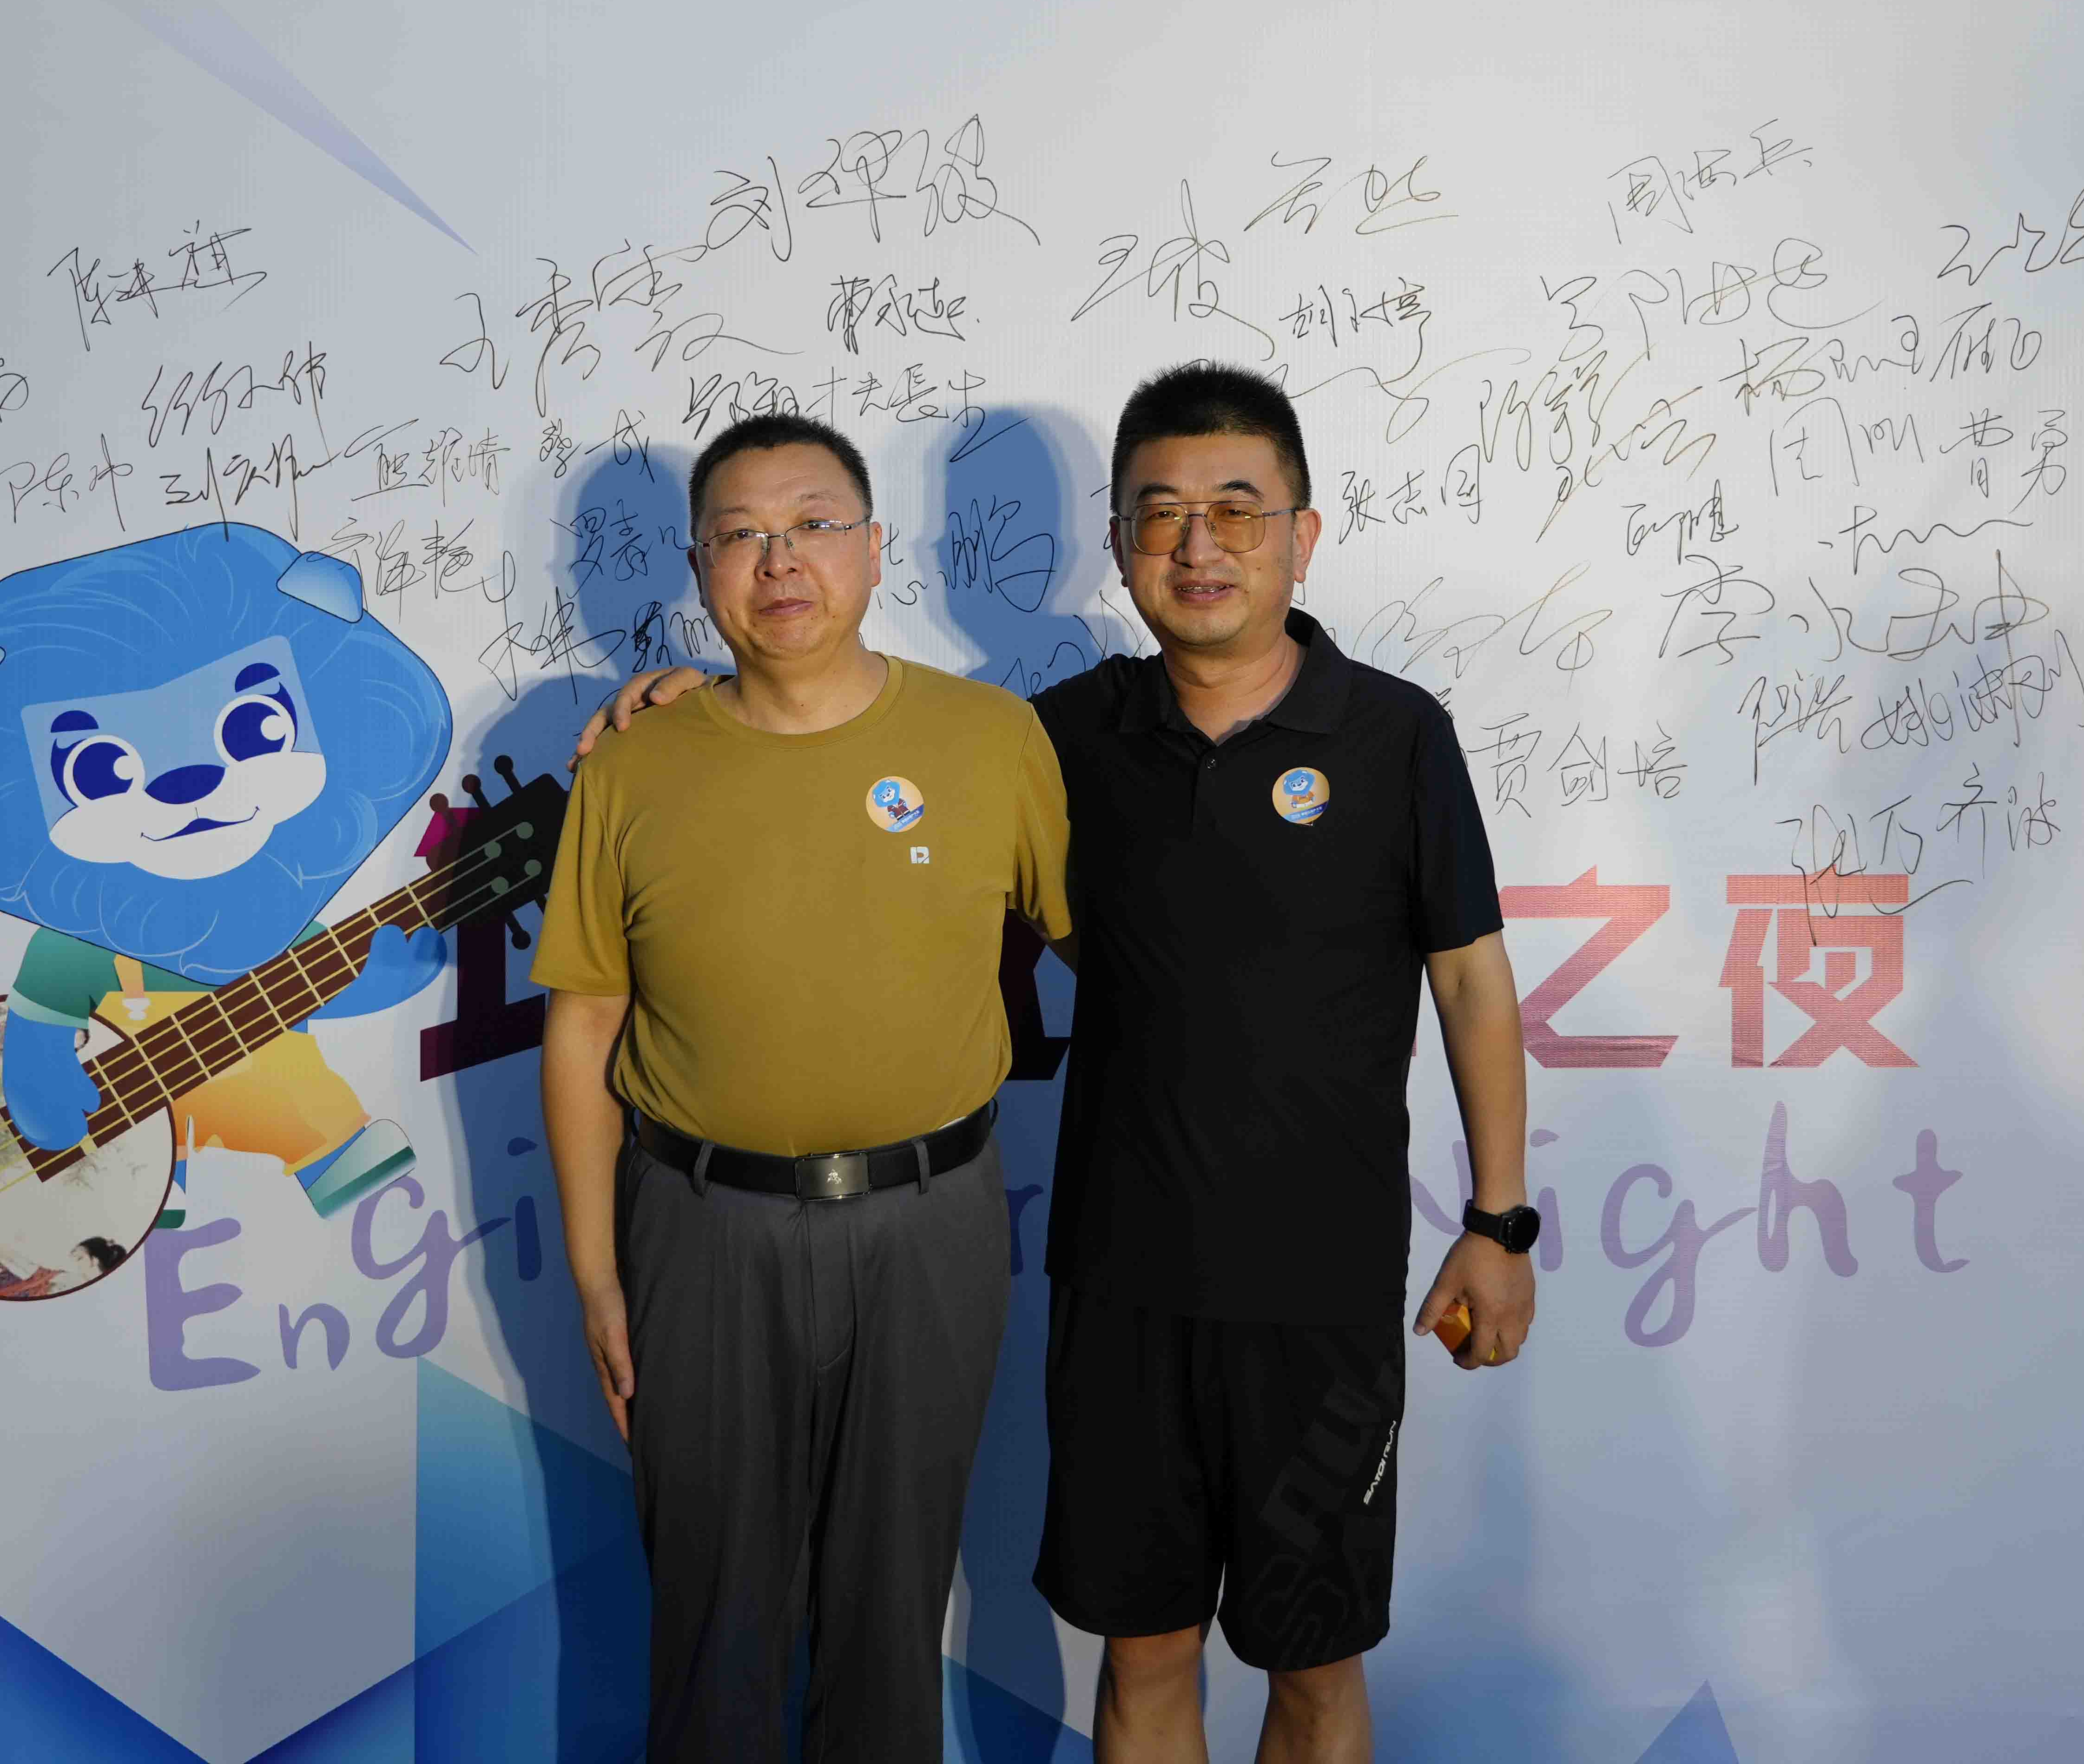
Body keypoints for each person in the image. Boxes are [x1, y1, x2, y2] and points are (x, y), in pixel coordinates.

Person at [585, 364, 1538, 1764]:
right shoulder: (1059, 737)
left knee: (1315, 1664)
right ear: (1118, 543)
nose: (1198, 547)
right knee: (1140, 1654)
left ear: (1303, 534)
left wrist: (1500, 1222)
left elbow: (1470, 980)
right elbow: (839, 752)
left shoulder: (1397, 736)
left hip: (1322, 1285)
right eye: (1161, 515)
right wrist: (706, 693)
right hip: (1119, 1274)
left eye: (1236, 511)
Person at [533, 412, 1074, 1764]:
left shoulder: (991, 738)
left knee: (892, 1619)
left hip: (934, 1226)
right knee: (711, 1624)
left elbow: (1109, 952)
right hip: (698, 1230)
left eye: (817, 526)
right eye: (743, 535)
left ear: (877, 549)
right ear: (700, 567)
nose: (782, 562)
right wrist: (599, 1275)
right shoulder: (633, 763)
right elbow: (584, 1020)